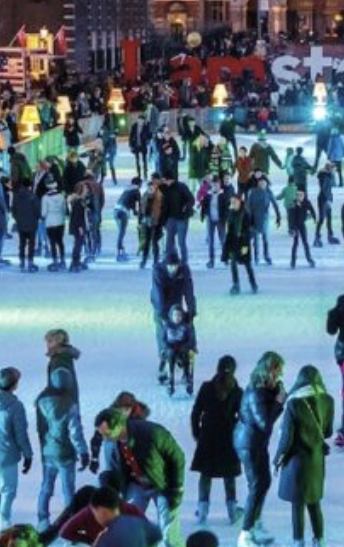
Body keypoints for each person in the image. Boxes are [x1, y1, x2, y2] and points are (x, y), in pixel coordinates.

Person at [95, 409, 185, 547]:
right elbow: (115, 469)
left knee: (169, 532)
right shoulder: (112, 444)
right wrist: (109, 481)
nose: (105, 438)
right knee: (128, 524)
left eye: (107, 434)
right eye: (101, 435)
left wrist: (177, 488)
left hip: (163, 484)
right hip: (136, 483)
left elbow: (177, 457)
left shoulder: (152, 433)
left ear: (119, 426)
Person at [274, 365, 334, 547]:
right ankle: (320, 540)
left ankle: (298, 542)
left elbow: (287, 438)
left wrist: (277, 458)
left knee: (297, 504)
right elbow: (328, 432)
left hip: (296, 461)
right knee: (314, 502)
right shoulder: (328, 400)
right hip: (316, 459)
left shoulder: (294, 403)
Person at [234, 352, 285, 547]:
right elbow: (264, 423)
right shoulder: (255, 392)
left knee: (263, 483)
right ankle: (245, 534)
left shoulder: (265, 388)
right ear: (268, 370)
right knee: (257, 485)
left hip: (256, 442)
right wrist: (279, 403)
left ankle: (253, 526)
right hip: (249, 443)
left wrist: (277, 395)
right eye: (277, 370)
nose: (279, 375)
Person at [190, 356, 244, 527]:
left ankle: (202, 511)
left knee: (206, 474)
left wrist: (197, 433)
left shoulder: (206, 387)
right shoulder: (237, 391)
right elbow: (242, 417)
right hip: (228, 437)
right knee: (229, 475)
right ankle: (232, 511)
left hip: (208, 436)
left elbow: (196, 412)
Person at [0, 367, 34, 540]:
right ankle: (0, 535)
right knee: (8, 494)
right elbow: (21, 434)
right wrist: (28, 454)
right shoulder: (15, 406)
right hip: (7, 456)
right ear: (14, 384)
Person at [35, 367, 89, 530]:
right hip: (65, 454)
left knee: (46, 487)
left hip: (48, 451)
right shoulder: (70, 404)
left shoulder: (42, 402)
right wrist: (83, 451)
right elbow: (75, 432)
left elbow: (41, 427)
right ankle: (70, 523)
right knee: (68, 490)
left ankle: (42, 519)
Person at [151, 254, 197, 384]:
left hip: (175, 302)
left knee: (185, 327)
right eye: (170, 266)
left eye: (175, 266)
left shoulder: (184, 270)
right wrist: (162, 314)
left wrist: (191, 311)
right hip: (161, 304)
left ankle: (185, 357)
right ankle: (164, 360)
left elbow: (189, 291)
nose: (173, 269)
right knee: (163, 331)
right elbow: (158, 293)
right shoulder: (158, 271)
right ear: (166, 265)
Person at [87, 486, 163, 547]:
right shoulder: (136, 521)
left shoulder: (107, 539)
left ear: (101, 510)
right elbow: (157, 534)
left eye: (94, 513)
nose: (95, 518)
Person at [224, 194, 257, 295]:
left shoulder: (245, 213)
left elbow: (251, 229)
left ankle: (253, 283)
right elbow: (229, 229)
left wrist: (245, 236)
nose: (233, 203)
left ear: (239, 201)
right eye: (232, 202)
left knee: (247, 264)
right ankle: (236, 284)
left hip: (244, 243)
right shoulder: (231, 213)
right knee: (233, 263)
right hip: (233, 243)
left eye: (235, 201)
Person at [246, 176, 281, 266]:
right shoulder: (253, 192)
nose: (262, 184)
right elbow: (248, 206)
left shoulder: (269, 193)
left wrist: (278, 217)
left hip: (264, 218)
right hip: (254, 218)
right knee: (256, 240)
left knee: (265, 239)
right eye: (260, 182)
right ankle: (256, 257)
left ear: (266, 183)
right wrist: (248, 218)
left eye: (264, 182)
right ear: (258, 183)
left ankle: (267, 256)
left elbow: (275, 205)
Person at [163, 176, 195, 263]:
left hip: (182, 218)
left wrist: (186, 207)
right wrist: (164, 221)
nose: (164, 182)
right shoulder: (166, 189)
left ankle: (184, 260)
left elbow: (191, 199)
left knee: (181, 241)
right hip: (171, 218)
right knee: (169, 241)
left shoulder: (181, 187)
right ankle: (169, 259)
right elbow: (165, 206)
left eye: (165, 180)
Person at [12, 179, 41, 273]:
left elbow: (13, 210)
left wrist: (17, 219)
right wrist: (37, 218)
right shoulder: (33, 196)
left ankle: (22, 261)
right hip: (32, 223)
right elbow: (37, 211)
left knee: (22, 243)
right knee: (31, 244)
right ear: (30, 186)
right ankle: (30, 261)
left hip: (20, 224)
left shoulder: (16, 196)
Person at [41, 179, 67, 271]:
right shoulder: (61, 196)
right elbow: (64, 210)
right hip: (60, 221)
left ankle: (55, 261)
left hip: (50, 222)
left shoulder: (45, 198)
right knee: (60, 242)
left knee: (52, 243)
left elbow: (44, 213)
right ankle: (63, 260)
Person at [287, 189, 317, 269]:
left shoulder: (307, 202)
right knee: (295, 243)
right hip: (295, 226)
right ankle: (293, 261)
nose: (299, 197)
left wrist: (314, 217)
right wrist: (291, 228)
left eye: (301, 195)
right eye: (298, 195)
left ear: (304, 195)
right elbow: (290, 217)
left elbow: (312, 210)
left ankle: (309, 259)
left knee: (305, 242)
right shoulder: (293, 204)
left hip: (302, 225)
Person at [313, 163, 338, 248]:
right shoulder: (325, 176)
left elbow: (333, 185)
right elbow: (325, 189)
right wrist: (327, 199)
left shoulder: (328, 176)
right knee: (322, 218)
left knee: (329, 218)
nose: (335, 171)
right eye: (334, 169)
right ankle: (317, 237)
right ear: (329, 169)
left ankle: (330, 235)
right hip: (324, 199)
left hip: (327, 198)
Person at [67, 182, 89, 273]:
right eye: (85, 189)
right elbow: (77, 216)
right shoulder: (78, 202)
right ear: (81, 191)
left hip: (78, 225)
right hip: (79, 226)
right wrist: (80, 227)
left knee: (78, 244)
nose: (87, 191)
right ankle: (75, 262)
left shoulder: (78, 201)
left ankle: (76, 261)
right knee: (78, 245)